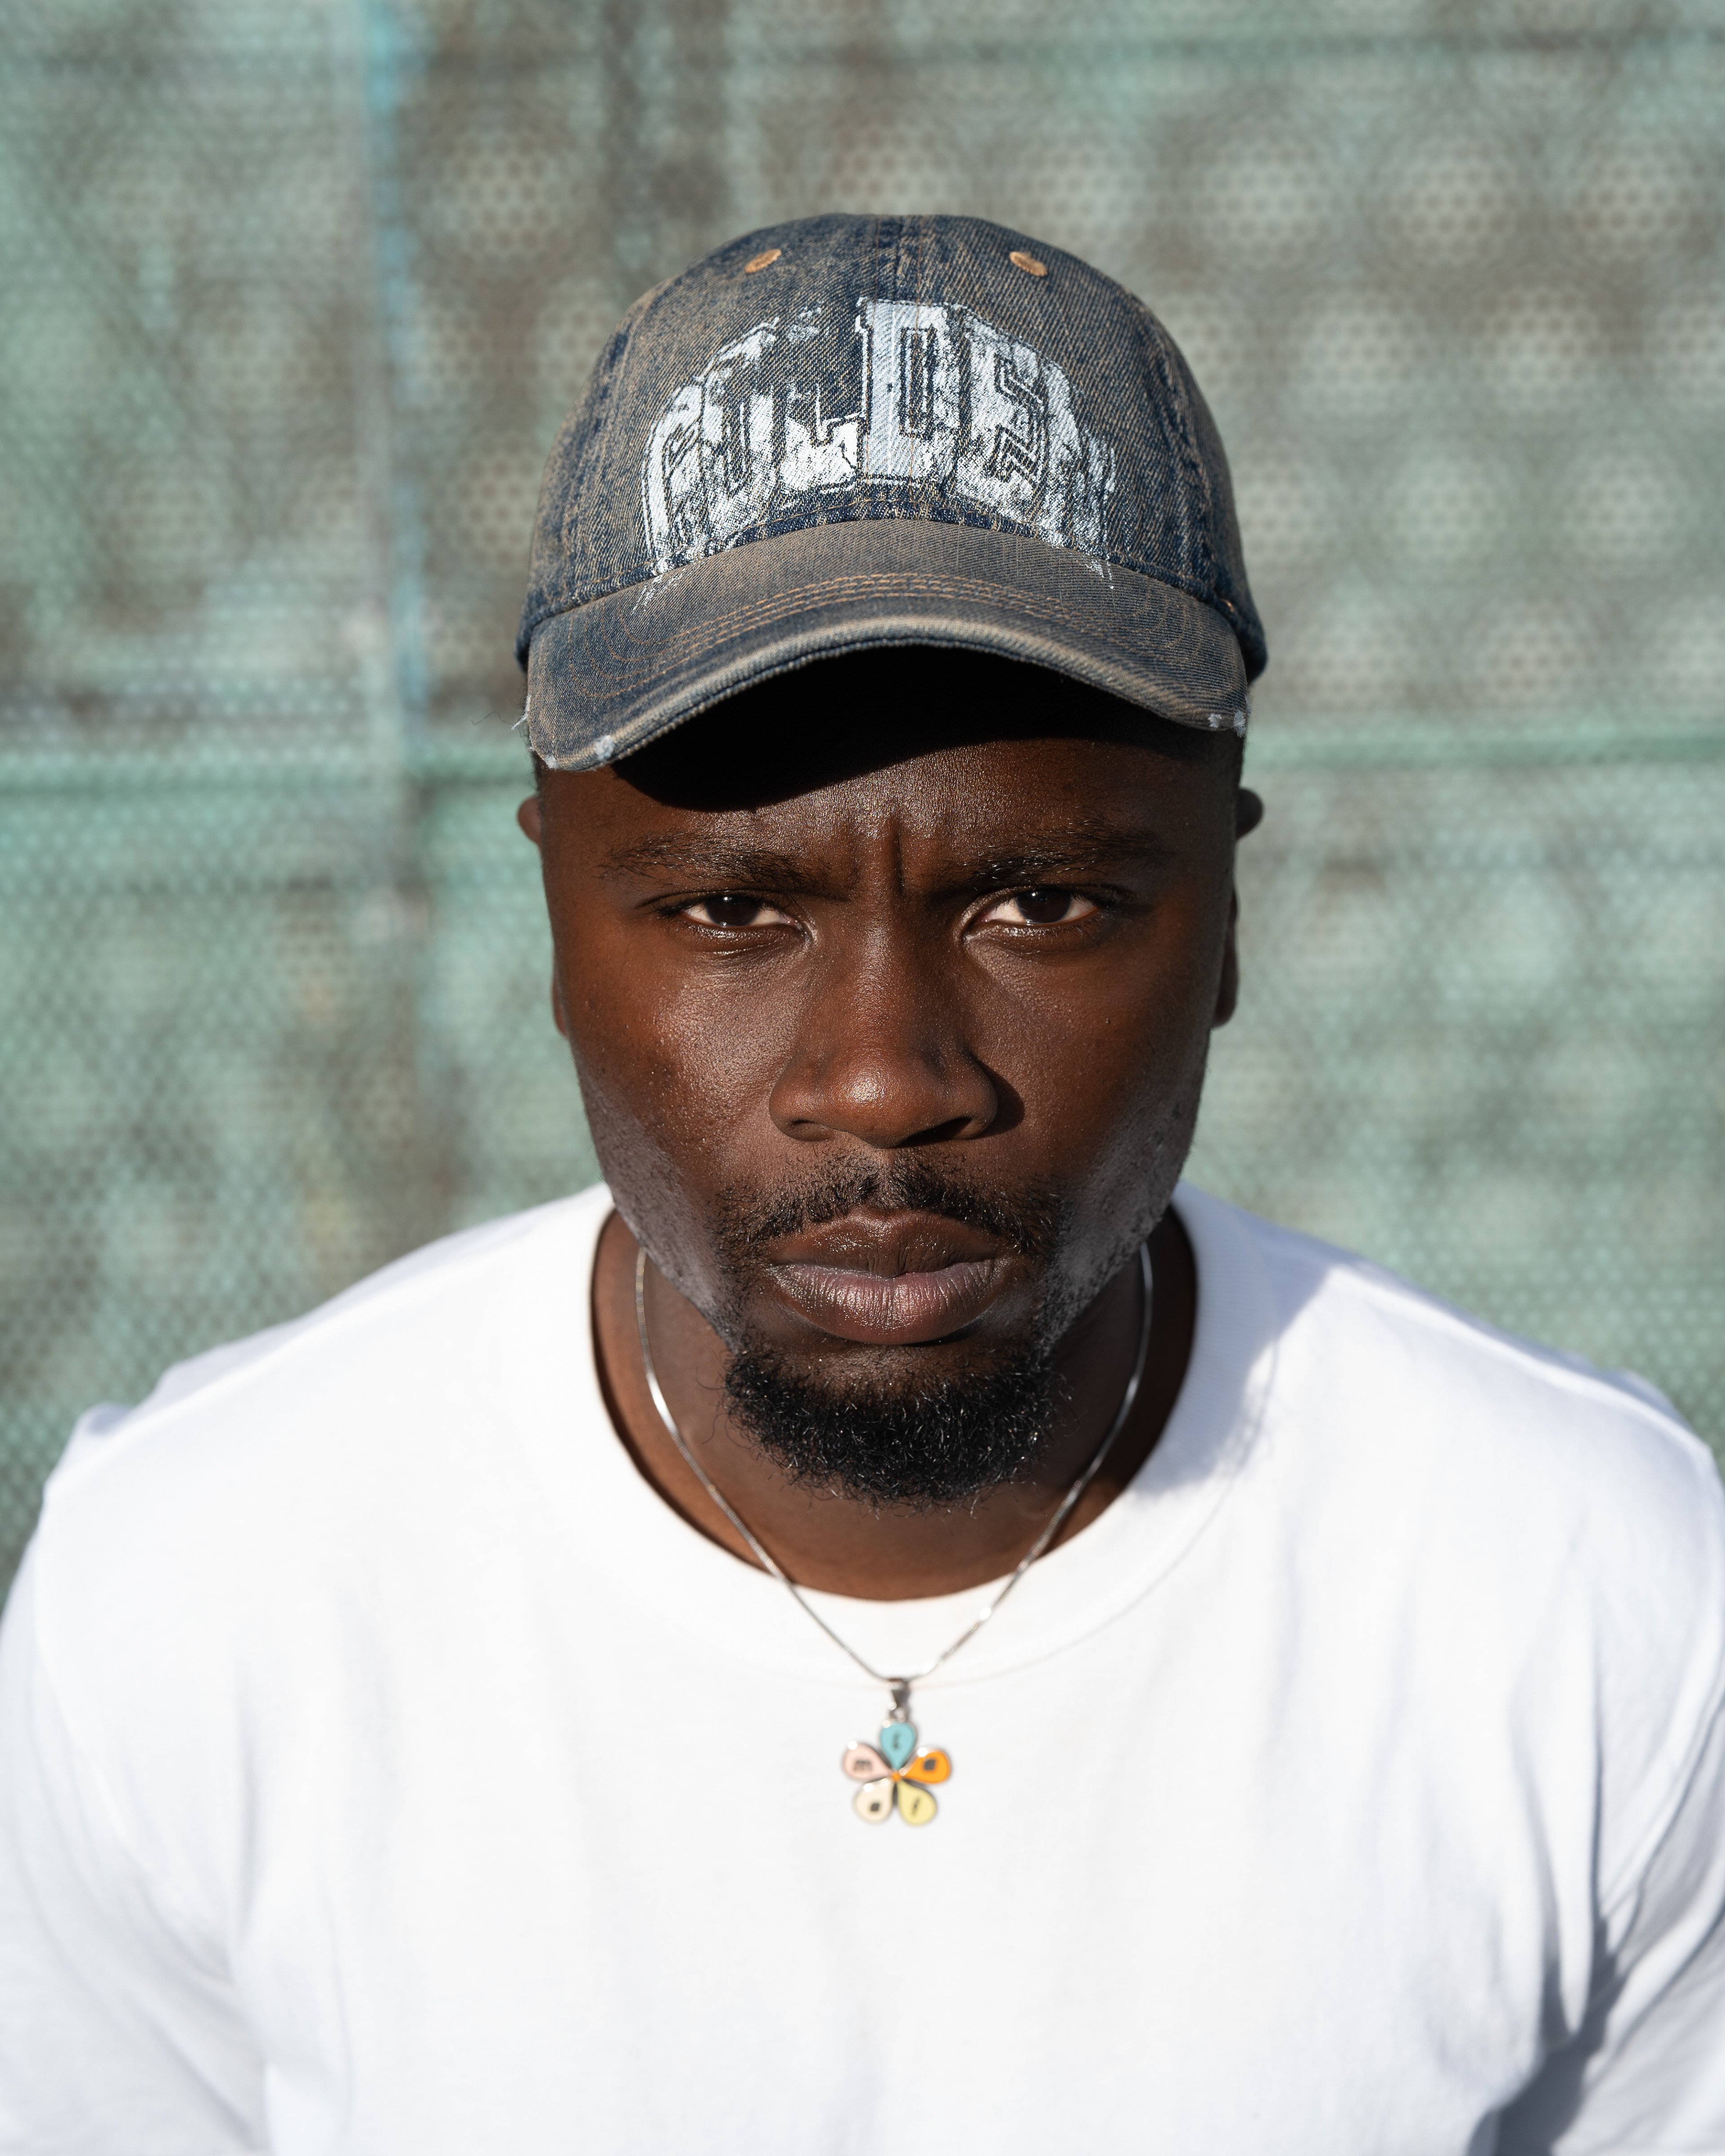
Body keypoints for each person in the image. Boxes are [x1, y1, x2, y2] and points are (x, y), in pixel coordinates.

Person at [1, 213, 1721, 2156]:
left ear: (1226, 912)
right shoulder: (197, 1600)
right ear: (555, 916)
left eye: (1044, 902)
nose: (888, 1081)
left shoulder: (1587, 1602)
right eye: (731, 910)